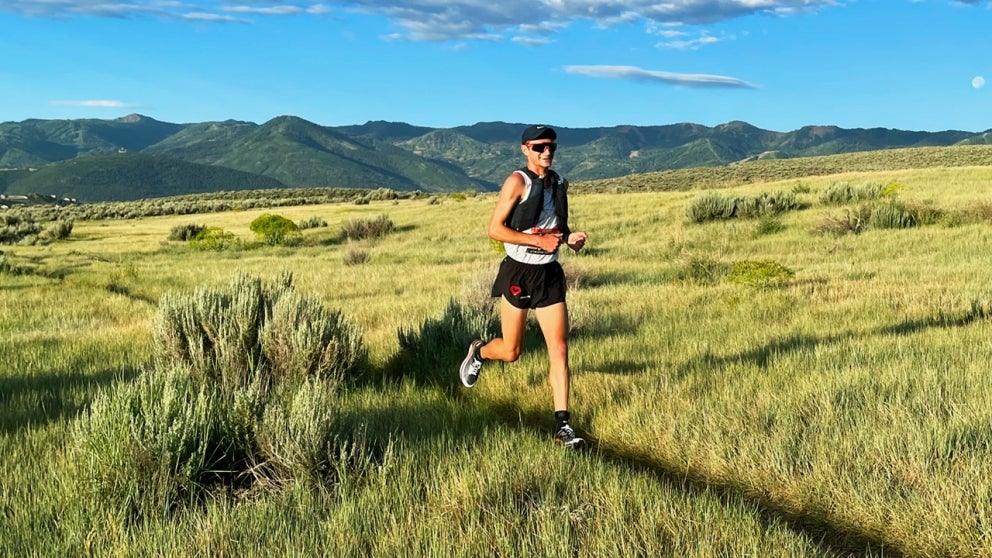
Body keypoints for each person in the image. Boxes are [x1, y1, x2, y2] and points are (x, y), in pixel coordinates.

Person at [458, 124, 588, 448]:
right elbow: (494, 229)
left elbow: (558, 226)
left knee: (558, 349)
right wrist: (536, 240)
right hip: (519, 273)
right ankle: (480, 352)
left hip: (549, 274)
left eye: (552, 147)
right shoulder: (517, 182)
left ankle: (563, 427)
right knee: (512, 351)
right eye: (540, 146)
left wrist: (568, 238)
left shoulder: (559, 183)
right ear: (525, 149)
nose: (547, 152)